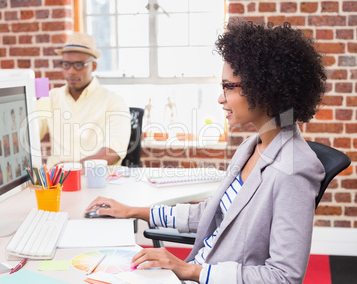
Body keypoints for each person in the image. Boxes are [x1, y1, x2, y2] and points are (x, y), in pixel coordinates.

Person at [86, 20, 327, 283]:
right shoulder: (253, 146)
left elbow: (284, 277)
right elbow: (211, 212)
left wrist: (189, 270)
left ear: (264, 89)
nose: (221, 98)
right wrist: (134, 210)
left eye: (228, 86)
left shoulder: (293, 169)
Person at [36, 32, 131, 168]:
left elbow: (113, 150)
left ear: (93, 66)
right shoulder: (51, 97)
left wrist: (74, 169)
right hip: (58, 182)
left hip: (98, 181)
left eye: (79, 65)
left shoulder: (113, 101)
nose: (71, 71)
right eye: (66, 65)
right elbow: (32, 132)